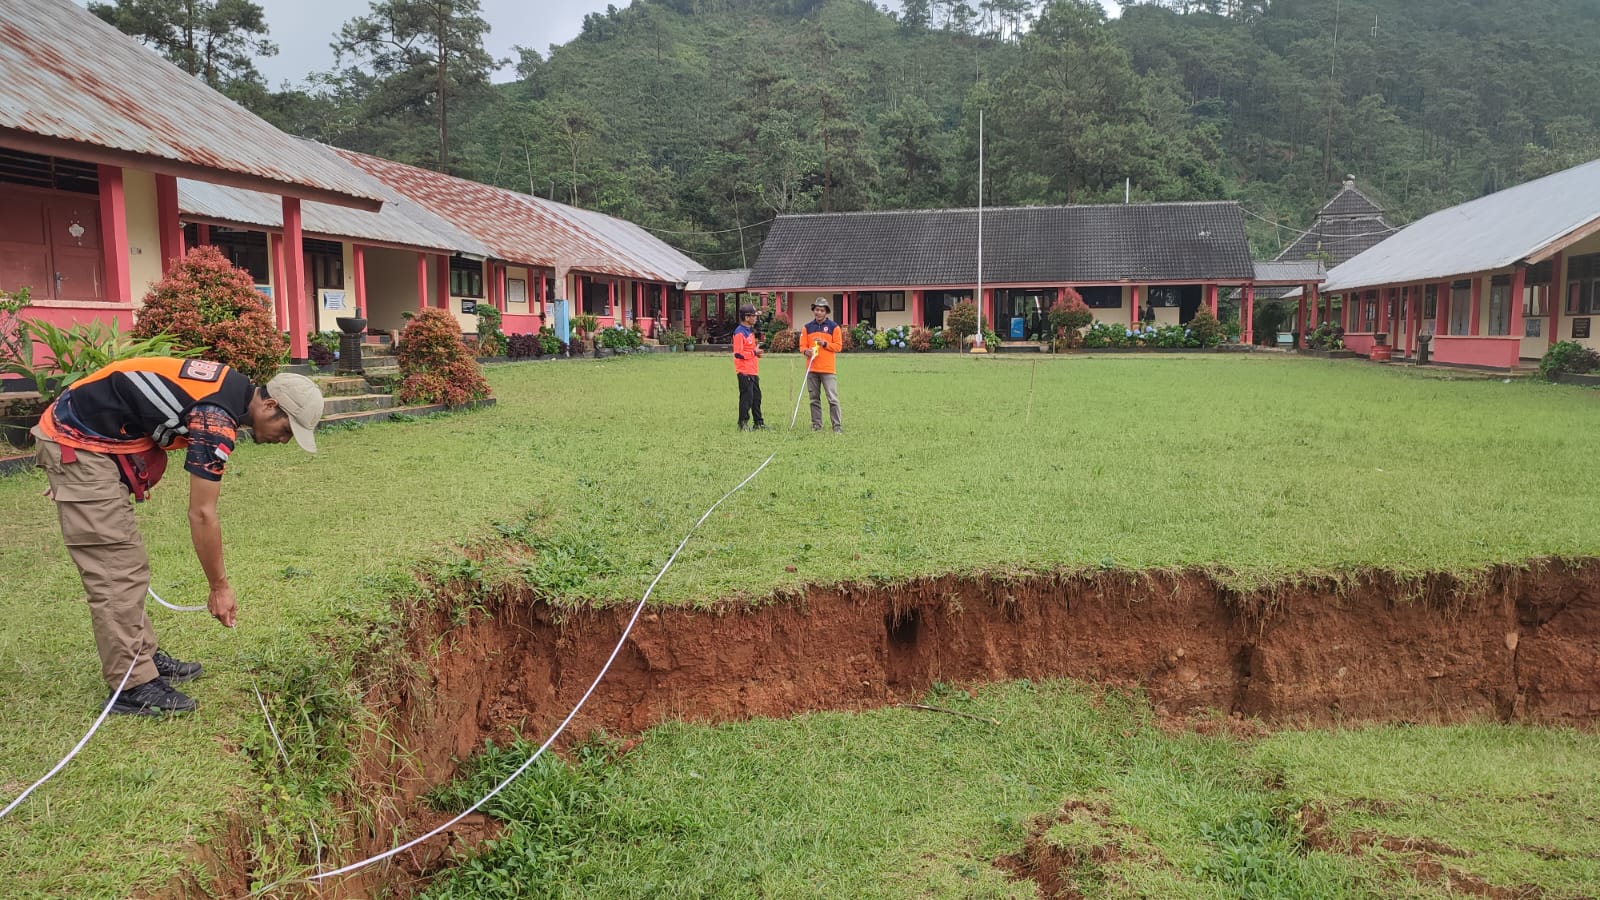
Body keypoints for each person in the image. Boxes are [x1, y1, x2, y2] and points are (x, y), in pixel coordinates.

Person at [32, 358, 324, 716]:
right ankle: (132, 685)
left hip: (95, 440)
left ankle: (144, 656)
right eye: (288, 429)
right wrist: (219, 587)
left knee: (127, 562)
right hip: (77, 441)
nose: (285, 440)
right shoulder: (215, 417)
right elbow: (202, 513)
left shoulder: (229, 391)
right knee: (115, 568)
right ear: (270, 405)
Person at [802, 298, 843, 433]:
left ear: (826, 312)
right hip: (812, 368)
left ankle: (837, 426)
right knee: (814, 399)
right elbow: (802, 346)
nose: (819, 312)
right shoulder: (807, 327)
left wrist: (825, 344)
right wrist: (805, 351)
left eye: (822, 310)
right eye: (817, 310)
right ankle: (816, 425)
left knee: (832, 399)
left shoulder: (834, 327)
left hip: (828, 369)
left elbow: (838, 346)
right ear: (813, 310)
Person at [731, 303, 765, 430]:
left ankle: (759, 422)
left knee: (757, 397)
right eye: (753, 316)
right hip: (744, 371)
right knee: (747, 398)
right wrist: (753, 353)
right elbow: (738, 353)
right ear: (746, 317)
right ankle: (743, 423)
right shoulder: (739, 333)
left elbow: (750, 350)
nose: (755, 318)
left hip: (753, 370)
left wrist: (756, 354)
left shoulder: (750, 331)